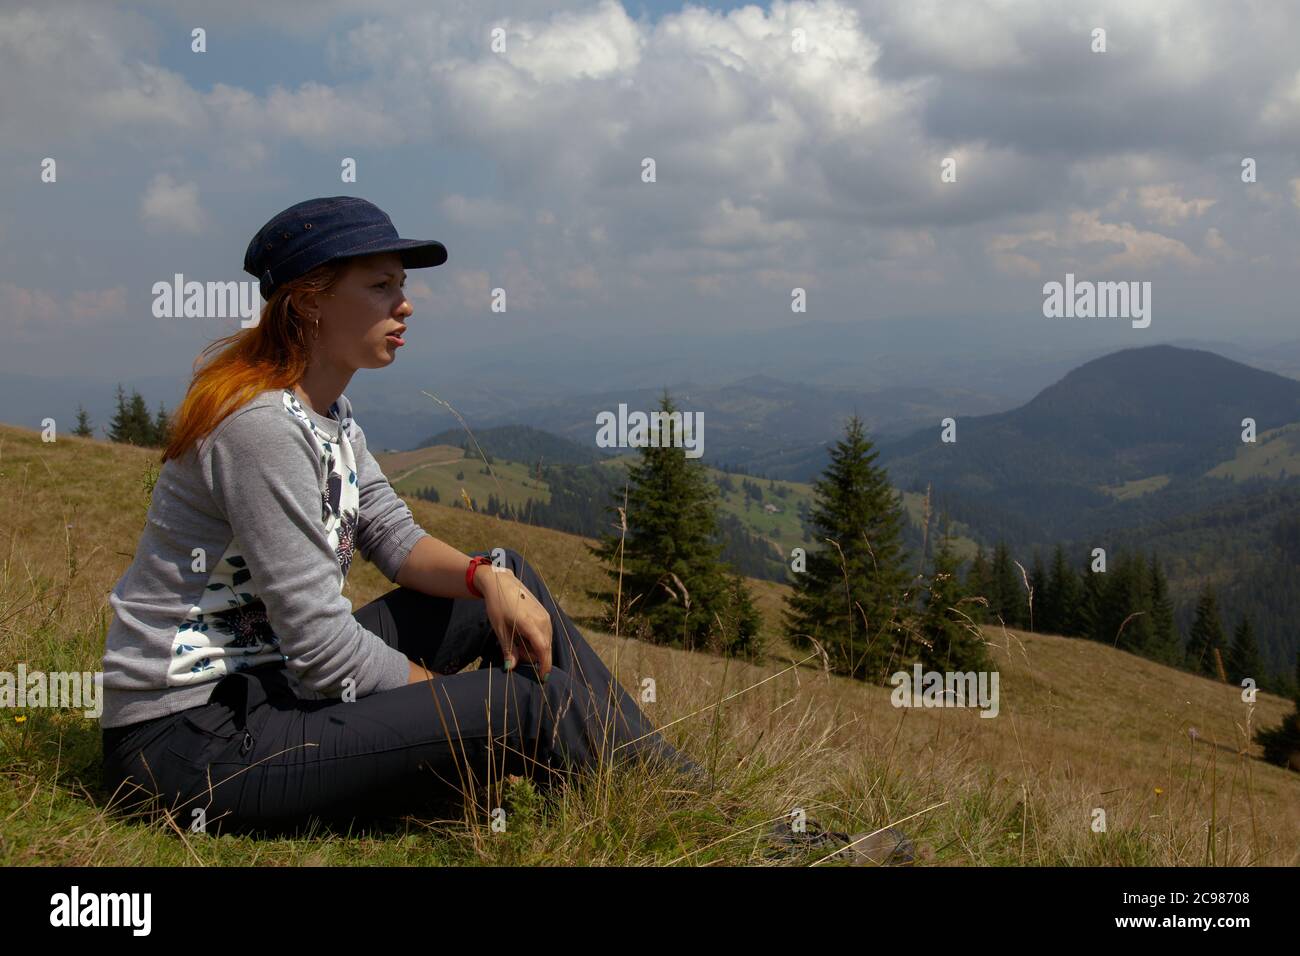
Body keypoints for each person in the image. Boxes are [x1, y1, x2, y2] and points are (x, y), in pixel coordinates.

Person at [99, 196, 705, 837]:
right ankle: (668, 810)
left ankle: (658, 787)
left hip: (268, 687)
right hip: (190, 741)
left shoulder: (327, 412)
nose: (405, 304)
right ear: (309, 302)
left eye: (403, 285)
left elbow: (389, 533)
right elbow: (321, 648)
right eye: (381, 286)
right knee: (520, 704)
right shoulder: (260, 428)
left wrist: (484, 578)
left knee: (506, 573)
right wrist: (439, 698)